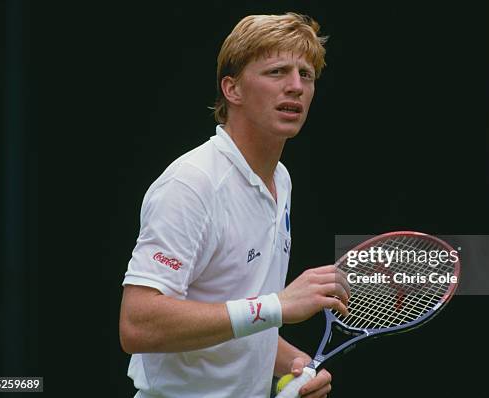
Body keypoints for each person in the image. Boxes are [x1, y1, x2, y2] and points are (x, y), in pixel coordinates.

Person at [119, 12, 349, 398]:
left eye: (305, 75)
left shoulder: (281, 180)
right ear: (233, 89)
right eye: (277, 72)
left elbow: (232, 320)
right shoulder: (192, 183)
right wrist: (276, 306)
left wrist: (294, 364)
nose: (295, 87)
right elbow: (138, 324)